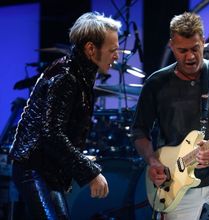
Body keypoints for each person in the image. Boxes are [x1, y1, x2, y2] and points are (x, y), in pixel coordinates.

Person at [131, 12, 209, 220]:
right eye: (182, 51)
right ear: (171, 46)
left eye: (195, 49)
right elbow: (139, 131)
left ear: (203, 42)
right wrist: (152, 161)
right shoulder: (156, 83)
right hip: (174, 182)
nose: (190, 57)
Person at [9, 12, 121, 219]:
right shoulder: (66, 78)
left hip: (46, 170)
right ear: (90, 49)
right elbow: (51, 133)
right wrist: (90, 172)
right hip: (33, 169)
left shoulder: (79, 75)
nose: (117, 56)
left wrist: (77, 158)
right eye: (113, 50)